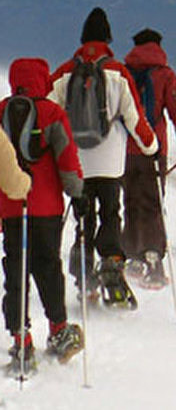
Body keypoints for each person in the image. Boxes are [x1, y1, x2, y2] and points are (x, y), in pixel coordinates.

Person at [48, 7, 158, 307]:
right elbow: (134, 117)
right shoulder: (118, 73)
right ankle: (111, 259)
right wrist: (151, 147)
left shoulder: (65, 72)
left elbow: (47, 109)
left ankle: (84, 269)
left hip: (77, 162)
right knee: (111, 213)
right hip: (110, 162)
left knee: (84, 216)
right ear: (108, 39)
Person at [2, 58, 85, 371]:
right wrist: (77, 193)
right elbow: (67, 157)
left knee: (15, 270)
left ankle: (21, 339)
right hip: (46, 207)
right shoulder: (52, 113)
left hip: (11, 206)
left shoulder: (0, 111)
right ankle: (58, 329)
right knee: (48, 266)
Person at [122, 27, 176, 288]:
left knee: (130, 199)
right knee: (153, 203)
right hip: (154, 150)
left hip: (126, 149)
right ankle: (153, 259)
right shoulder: (164, 74)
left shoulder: (124, 73)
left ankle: (132, 256)